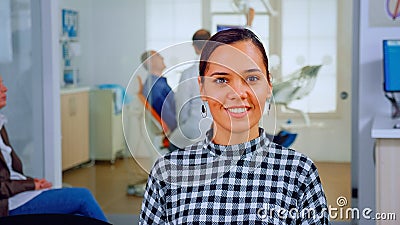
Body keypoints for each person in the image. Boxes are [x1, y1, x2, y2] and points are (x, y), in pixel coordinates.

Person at [140, 28, 329, 224]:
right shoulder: (168, 173)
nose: (237, 93)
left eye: (252, 78)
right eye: (221, 80)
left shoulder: (299, 172)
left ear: (269, 85)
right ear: (202, 88)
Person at [0, 75, 108, 222]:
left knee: (79, 214)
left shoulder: (1, 124)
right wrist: (31, 185)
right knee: (83, 198)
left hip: (18, 196)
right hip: (8, 205)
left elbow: (9, 174)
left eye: (3, 83)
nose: (5, 88)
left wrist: (32, 182)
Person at [172, 29, 212, 148]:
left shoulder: (188, 74)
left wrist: (183, 124)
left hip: (194, 127)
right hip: (217, 130)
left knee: (173, 143)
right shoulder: (223, 71)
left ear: (194, 47)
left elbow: (182, 106)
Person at [140, 50, 177, 135]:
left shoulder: (159, 83)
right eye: (158, 55)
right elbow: (167, 115)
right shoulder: (154, 87)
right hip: (175, 131)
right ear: (150, 62)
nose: (162, 58)